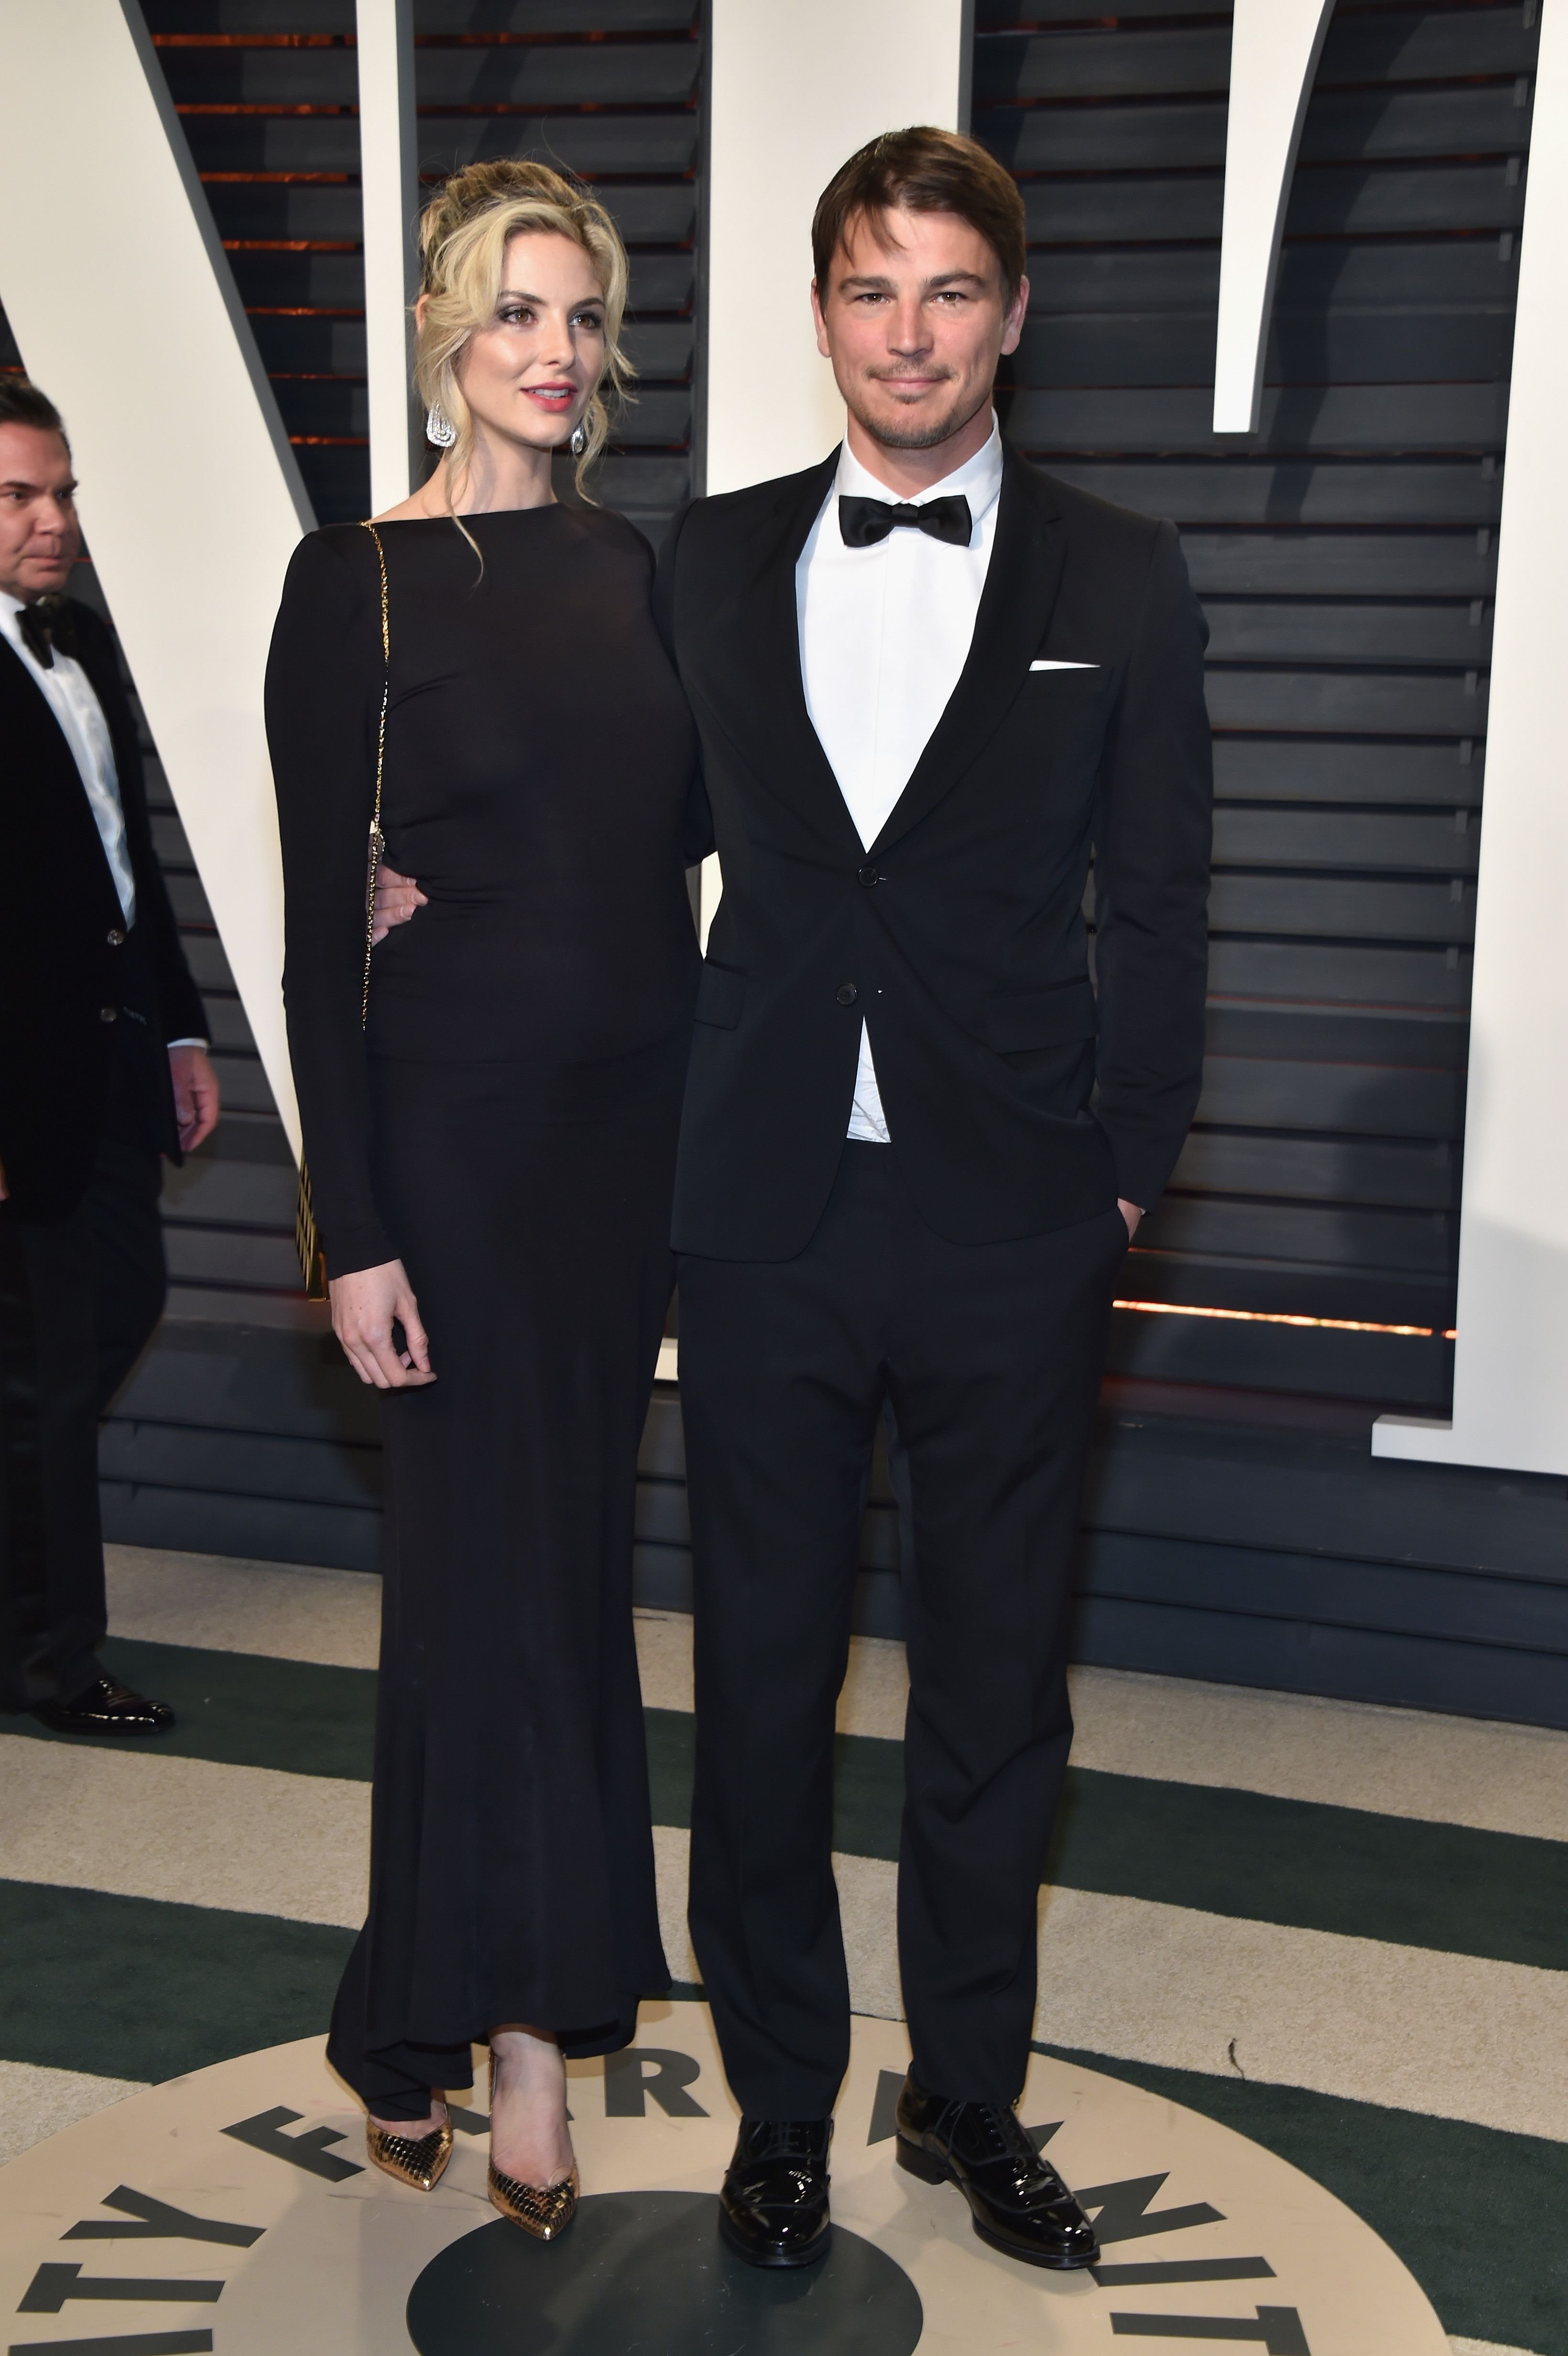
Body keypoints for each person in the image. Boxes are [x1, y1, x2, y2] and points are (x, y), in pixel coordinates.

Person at [655, 129, 1212, 2271]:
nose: (909, 331)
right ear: (819, 317)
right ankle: (779, 2102)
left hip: (1010, 1215)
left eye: (949, 290)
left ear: (1011, 316)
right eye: (872, 289)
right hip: (762, 1207)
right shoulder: (701, 565)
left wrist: (1121, 1170)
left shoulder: (1120, 572)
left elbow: (1159, 896)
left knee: (998, 1683)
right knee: (763, 1672)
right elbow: (626, 862)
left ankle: (969, 2088)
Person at [266, 160, 701, 2237]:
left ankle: (439, 2008)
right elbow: (301, 943)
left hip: (616, 1159)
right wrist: (349, 1227)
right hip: (442, 1149)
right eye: (518, 311)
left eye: (582, 317)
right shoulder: (349, 581)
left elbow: (719, 851)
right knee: (468, 1585)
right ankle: (496, 2038)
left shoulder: (643, 573)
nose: (554, 350)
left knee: (565, 1576)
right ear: (448, 327)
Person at [0, 379, 218, 1739]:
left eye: (62, 492)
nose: (53, 520)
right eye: (19, 497)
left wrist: (183, 1027)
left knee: (103, 1322)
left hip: (113, 1067)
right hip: (18, 1090)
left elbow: (126, 868)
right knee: (46, 1379)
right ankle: (51, 1665)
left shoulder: (75, 645)